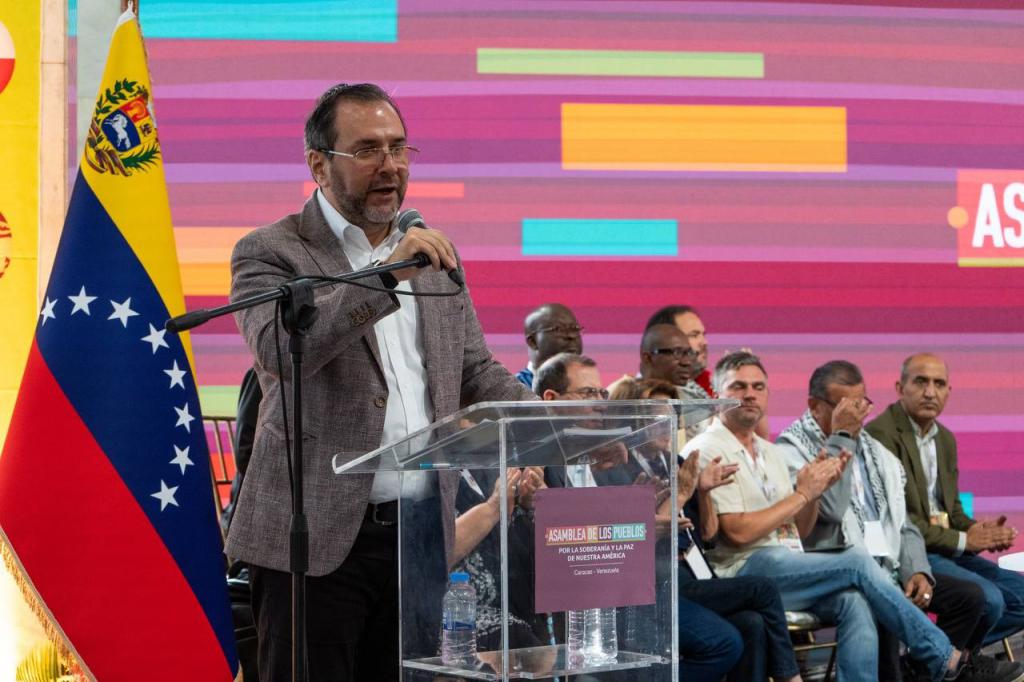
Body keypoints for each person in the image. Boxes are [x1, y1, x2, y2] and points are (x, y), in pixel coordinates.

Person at [226, 82, 535, 681]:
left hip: (418, 536)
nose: (390, 165)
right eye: (367, 149)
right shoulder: (271, 251)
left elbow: (473, 370)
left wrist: (549, 418)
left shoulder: (432, 255)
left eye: (398, 148)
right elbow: (283, 352)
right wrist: (386, 274)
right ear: (319, 165)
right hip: (312, 539)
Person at [684, 351, 967, 682]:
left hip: (787, 564)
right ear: (717, 394)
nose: (749, 394)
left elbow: (799, 533)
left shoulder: (769, 451)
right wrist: (802, 495)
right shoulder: (707, 448)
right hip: (744, 571)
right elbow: (738, 533)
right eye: (738, 386)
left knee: (854, 601)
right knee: (857, 561)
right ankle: (940, 654)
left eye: (758, 387)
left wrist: (814, 492)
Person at [777, 361, 1020, 682]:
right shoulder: (791, 451)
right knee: (876, 596)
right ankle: (945, 661)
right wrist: (841, 437)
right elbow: (832, 511)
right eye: (844, 408)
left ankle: (926, 670)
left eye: (861, 405)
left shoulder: (876, 451)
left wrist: (916, 570)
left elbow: (904, 523)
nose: (856, 416)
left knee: (972, 598)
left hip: (890, 563)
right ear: (815, 406)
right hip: (834, 569)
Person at [867, 354, 1024, 650]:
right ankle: (940, 661)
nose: (930, 392)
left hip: (946, 548)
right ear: (900, 388)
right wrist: (965, 540)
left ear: (948, 392)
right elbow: (900, 520)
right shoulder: (881, 435)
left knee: (1020, 597)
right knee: (988, 599)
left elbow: (951, 511)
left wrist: (981, 532)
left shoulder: (945, 439)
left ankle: (943, 658)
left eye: (939, 384)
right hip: (909, 552)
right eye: (921, 382)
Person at [645, 305, 711, 397]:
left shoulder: (707, 386)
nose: (705, 342)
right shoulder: (644, 394)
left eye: (703, 335)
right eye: (694, 335)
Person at [515, 303, 583, 388]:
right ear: (533, 341)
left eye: (575, 329)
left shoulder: (590, 386)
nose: (571, 336)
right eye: (559, 330)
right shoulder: (514, 390)